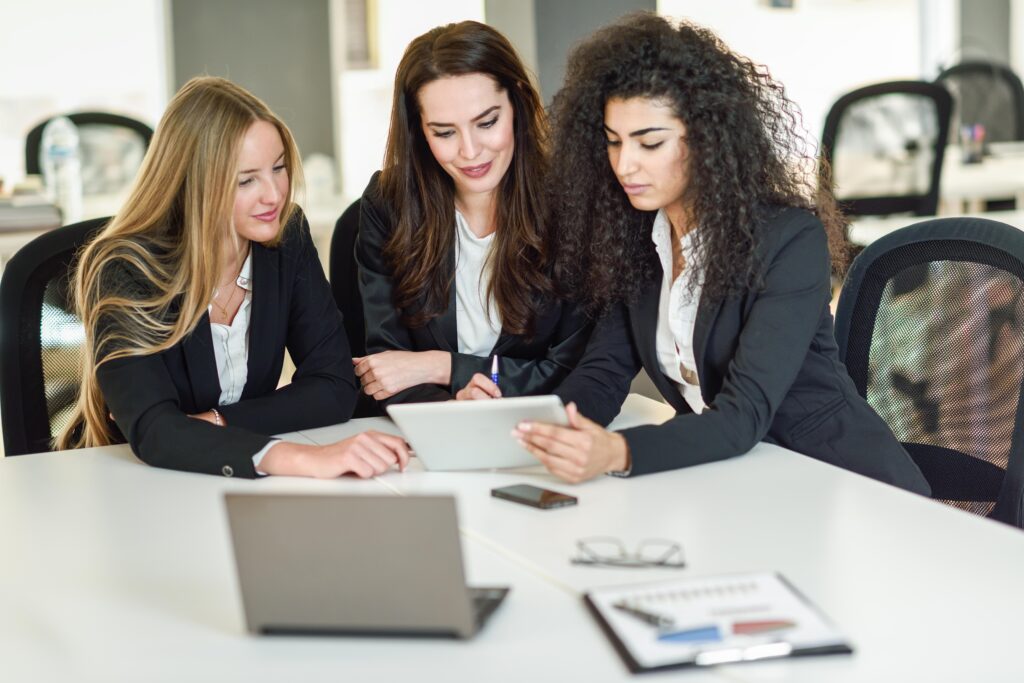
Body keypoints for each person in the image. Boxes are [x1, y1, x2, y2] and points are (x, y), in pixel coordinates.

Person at [515, 13, 930, 495]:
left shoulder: (788, 238)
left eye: (650, 143)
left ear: (707, 138)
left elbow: (742, 414)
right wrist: (544, 432)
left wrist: (619, 453)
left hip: (840, 484)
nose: (625, 164)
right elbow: (604, 372)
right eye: (613, 142)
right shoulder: (638, 239)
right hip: (738, 480)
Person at [57, 76, 409, 479]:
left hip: (234, 483)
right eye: (247, 180)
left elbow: (333, 385)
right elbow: (155, 430)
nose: (274, 195)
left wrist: (218, 421)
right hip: (135, 481)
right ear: (193, 184)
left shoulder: (285, 238)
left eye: (278, 169)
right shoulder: (124, 269)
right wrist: (297, 457)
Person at [354, 20, 590, 406]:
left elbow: (576, 372)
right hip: (429, 439)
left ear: (517, 105)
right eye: (444, 132)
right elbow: (385, 367)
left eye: (487, 122)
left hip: (543, 435)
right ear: (419, 132)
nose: (470, 151)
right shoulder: (388, 204)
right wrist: (450, 411)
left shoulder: (573, 207)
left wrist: (444, 366)